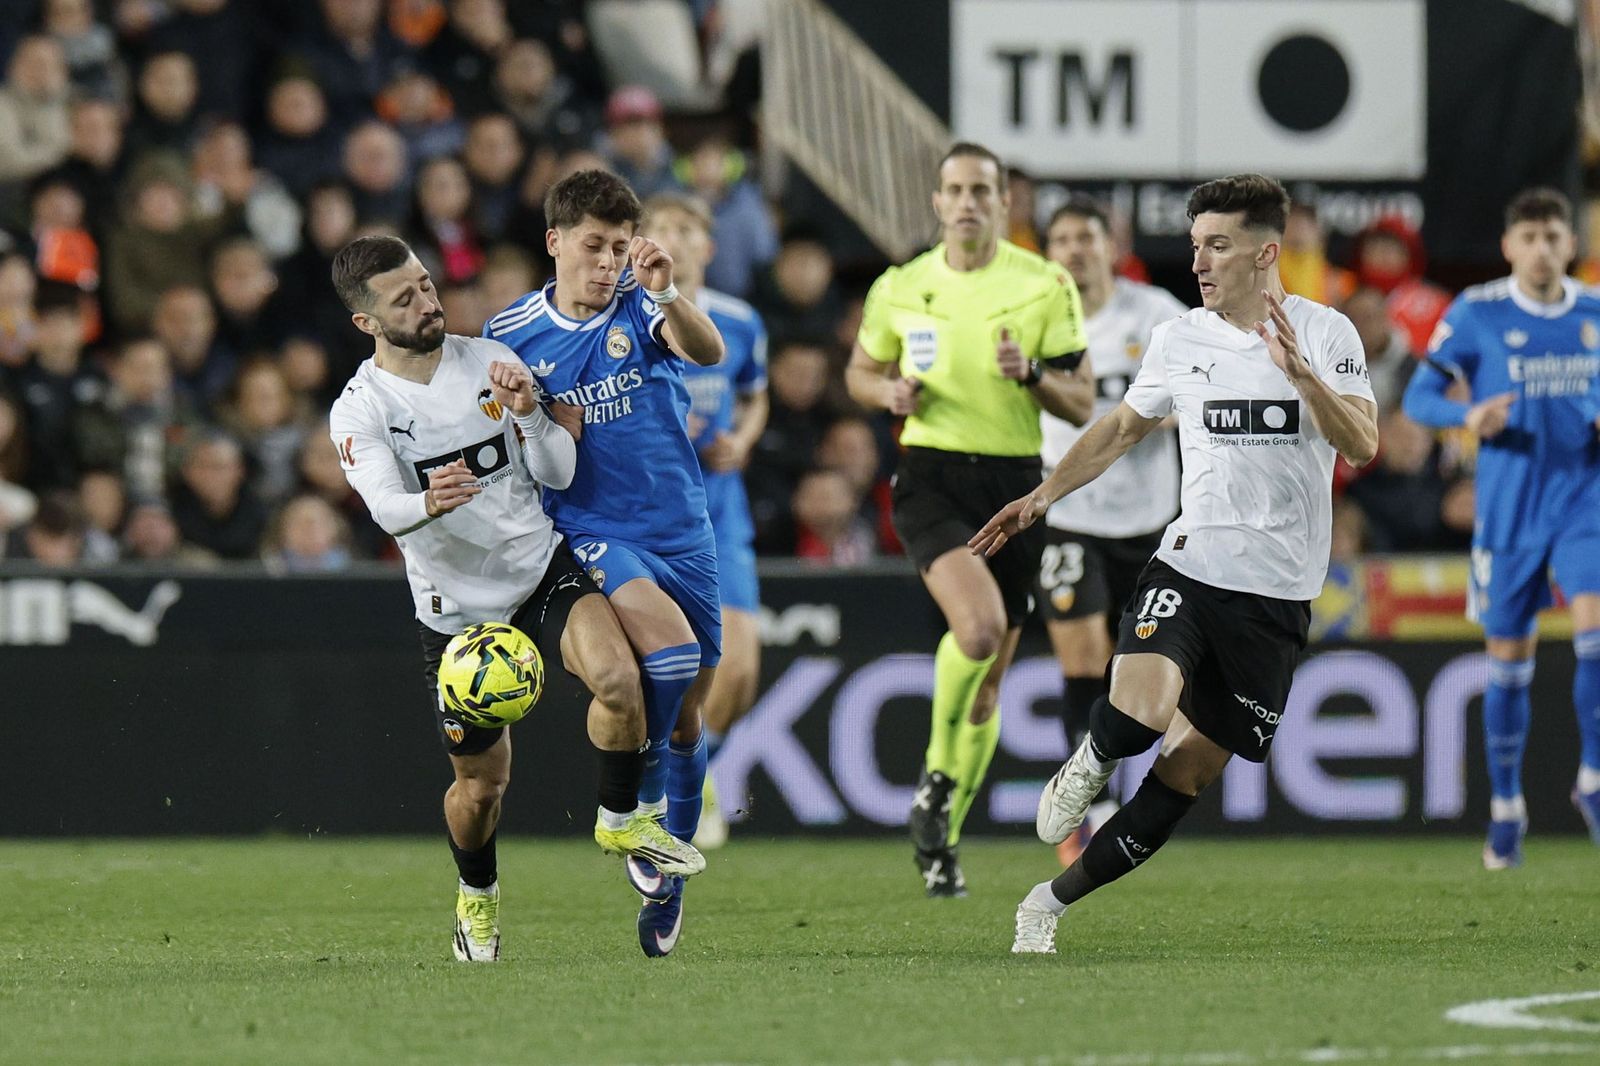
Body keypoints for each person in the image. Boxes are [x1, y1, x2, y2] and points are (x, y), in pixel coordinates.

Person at [969, 174, 1377, 953]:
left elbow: (1360, 444)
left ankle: (1047, 904)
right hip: (1191, 564)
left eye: (1217, 246)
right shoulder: (1180, 338)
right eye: (1195, 246)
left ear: (1266, 253)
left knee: (1184, 776)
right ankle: (1091, 757)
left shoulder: (1327, 334)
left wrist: (1303, 378)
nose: (1199, 262)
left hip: (1278, 595)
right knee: (1135, 716)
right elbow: (1121, 428)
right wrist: (1043, 496)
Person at [327, 234, 704, 963]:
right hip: (457, 614)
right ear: (366, 322)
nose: (427, 302)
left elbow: (557, 473)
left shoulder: (489, 361)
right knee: (481, 789)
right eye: (403, 298)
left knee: (619, 678)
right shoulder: (361, 410)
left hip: (537, 571)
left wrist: (531, 414)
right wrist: (427, 500)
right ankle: (477, 893)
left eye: (426, 284)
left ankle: (620, 818)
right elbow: (383, 508)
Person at [484, 170, 725, 957]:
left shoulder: (639, 303)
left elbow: (708, 351)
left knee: (688, 718)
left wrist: (667, 292)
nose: (608, 262)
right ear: (554, 241)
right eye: (593, 245)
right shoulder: (510, 332)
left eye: (619, 247)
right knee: (671, 658)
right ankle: (634, 814)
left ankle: (668, 877)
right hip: (593, 530)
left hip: (682, 528)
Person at [845, 142, 1093, 897]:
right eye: (955, 190)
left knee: (988, 691)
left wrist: (1034, 375)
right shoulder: (901, 286)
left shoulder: (1043, 283)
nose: (967, 203)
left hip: (1015, 485)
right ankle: (935, 780)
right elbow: (860, 372)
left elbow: (1082, 399)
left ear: (1003, 202)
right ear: (937, 201)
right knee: (978, 631)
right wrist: (887, 394)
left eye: (981, 190)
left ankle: (942, 834)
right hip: (931, 476)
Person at [1401, 187, 1600, 866]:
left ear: (1571, 245)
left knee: (1595, 632)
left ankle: (1593, 777)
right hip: (1510, 510)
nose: (1542, 249)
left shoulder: (1595, 313)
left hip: (1584, 503)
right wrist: (1469, 416)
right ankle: (1507, 805)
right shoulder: (1477, 311)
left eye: (1553, 237)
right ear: (1509, 246)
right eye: (1530, 238)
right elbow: (1419, 397)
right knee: (1509, 661)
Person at [1036, 196, 1188, 865]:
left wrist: (1153, 414)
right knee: (1079, 658)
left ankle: (1120, 789)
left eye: (1085, 237)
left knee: (1135, 670)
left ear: (1110, 244)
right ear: (1049, 253)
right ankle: (1091, 810)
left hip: (1149, 519)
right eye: (1062, 239)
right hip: (1069, 513)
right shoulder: (1037, 319)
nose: (1074, 249)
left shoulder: (1154, 313)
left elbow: (1201, 388)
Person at [638, 190, 769, 849]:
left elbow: (754, 395)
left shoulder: (740, 321)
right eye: (662, 227)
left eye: (687, 229)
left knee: (740, 673)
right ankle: (680, 783)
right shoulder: (625, 319)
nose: (676, 238)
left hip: (722, 511)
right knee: (670, 666)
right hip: (651, 516)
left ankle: (694, 767)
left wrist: (742, 441)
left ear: (708, 247)